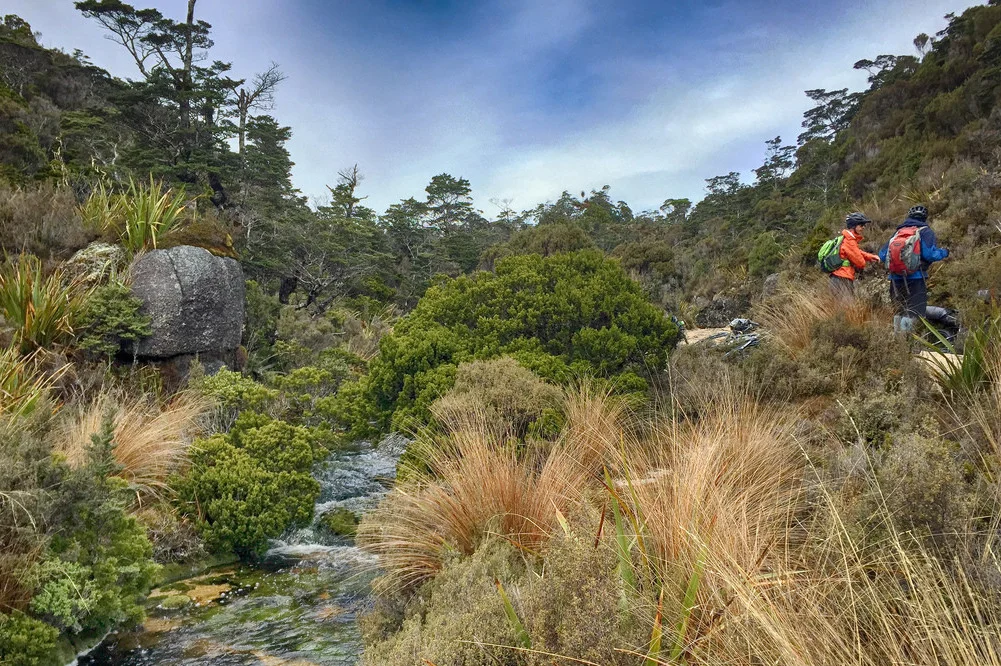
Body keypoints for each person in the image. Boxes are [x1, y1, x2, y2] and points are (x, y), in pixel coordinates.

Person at [878, 204, 949, 333]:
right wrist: (944, 252)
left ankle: (897, 340)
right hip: (915, 278)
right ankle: (906, 342)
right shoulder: (925, 232)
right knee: (913, 312)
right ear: (925, 218)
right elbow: (930, 254)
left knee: (899, 311)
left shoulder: (898, 233)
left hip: (895, 280)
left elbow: (882, 255)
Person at [830, 212, 880, 298]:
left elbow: (856, 252)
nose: (863, 227)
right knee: (847, 305)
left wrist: (870, 257)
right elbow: (860, 262)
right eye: (861, 225)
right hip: (843, 279)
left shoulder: (845, 238)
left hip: (837, 277)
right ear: (853, 226)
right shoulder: (850, 241)